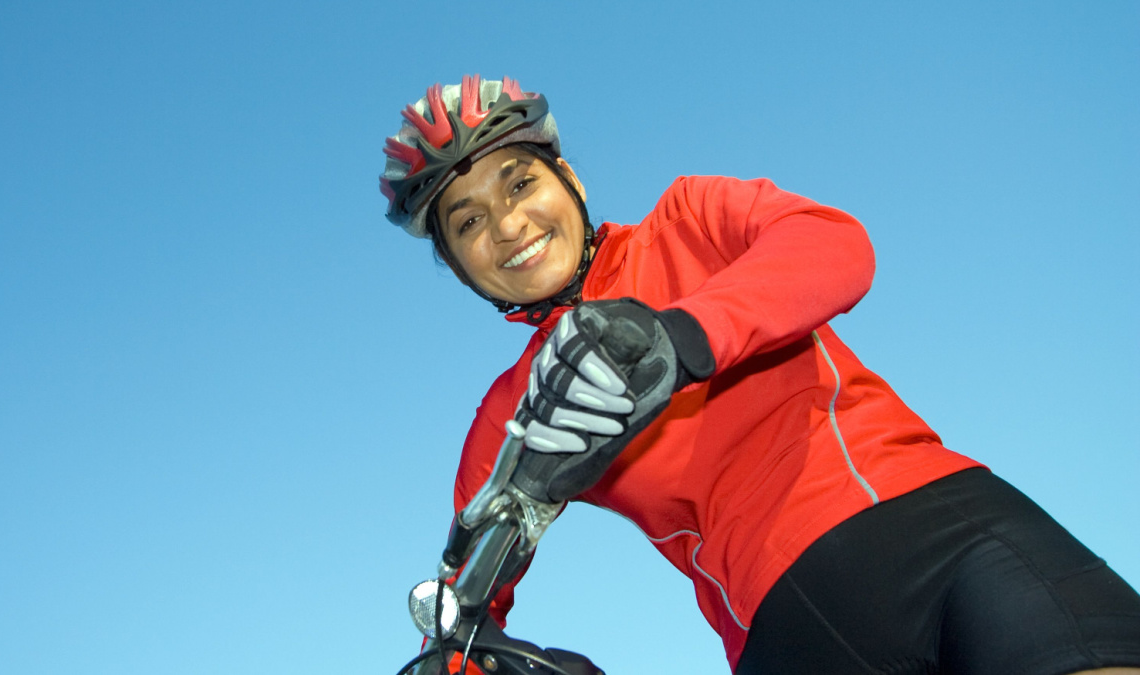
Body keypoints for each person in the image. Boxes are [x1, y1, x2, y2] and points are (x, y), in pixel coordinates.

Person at [379, 75, 1140, 674]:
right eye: (468, 221)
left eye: (518, 183)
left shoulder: (686, 216)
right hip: (778, 635)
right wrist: (464, 658)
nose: (508, 224)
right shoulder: (513, 406)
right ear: (455, 263)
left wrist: (679, 337)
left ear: (567, 178)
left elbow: (834, 246)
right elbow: (465, 599)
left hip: (925, 531)